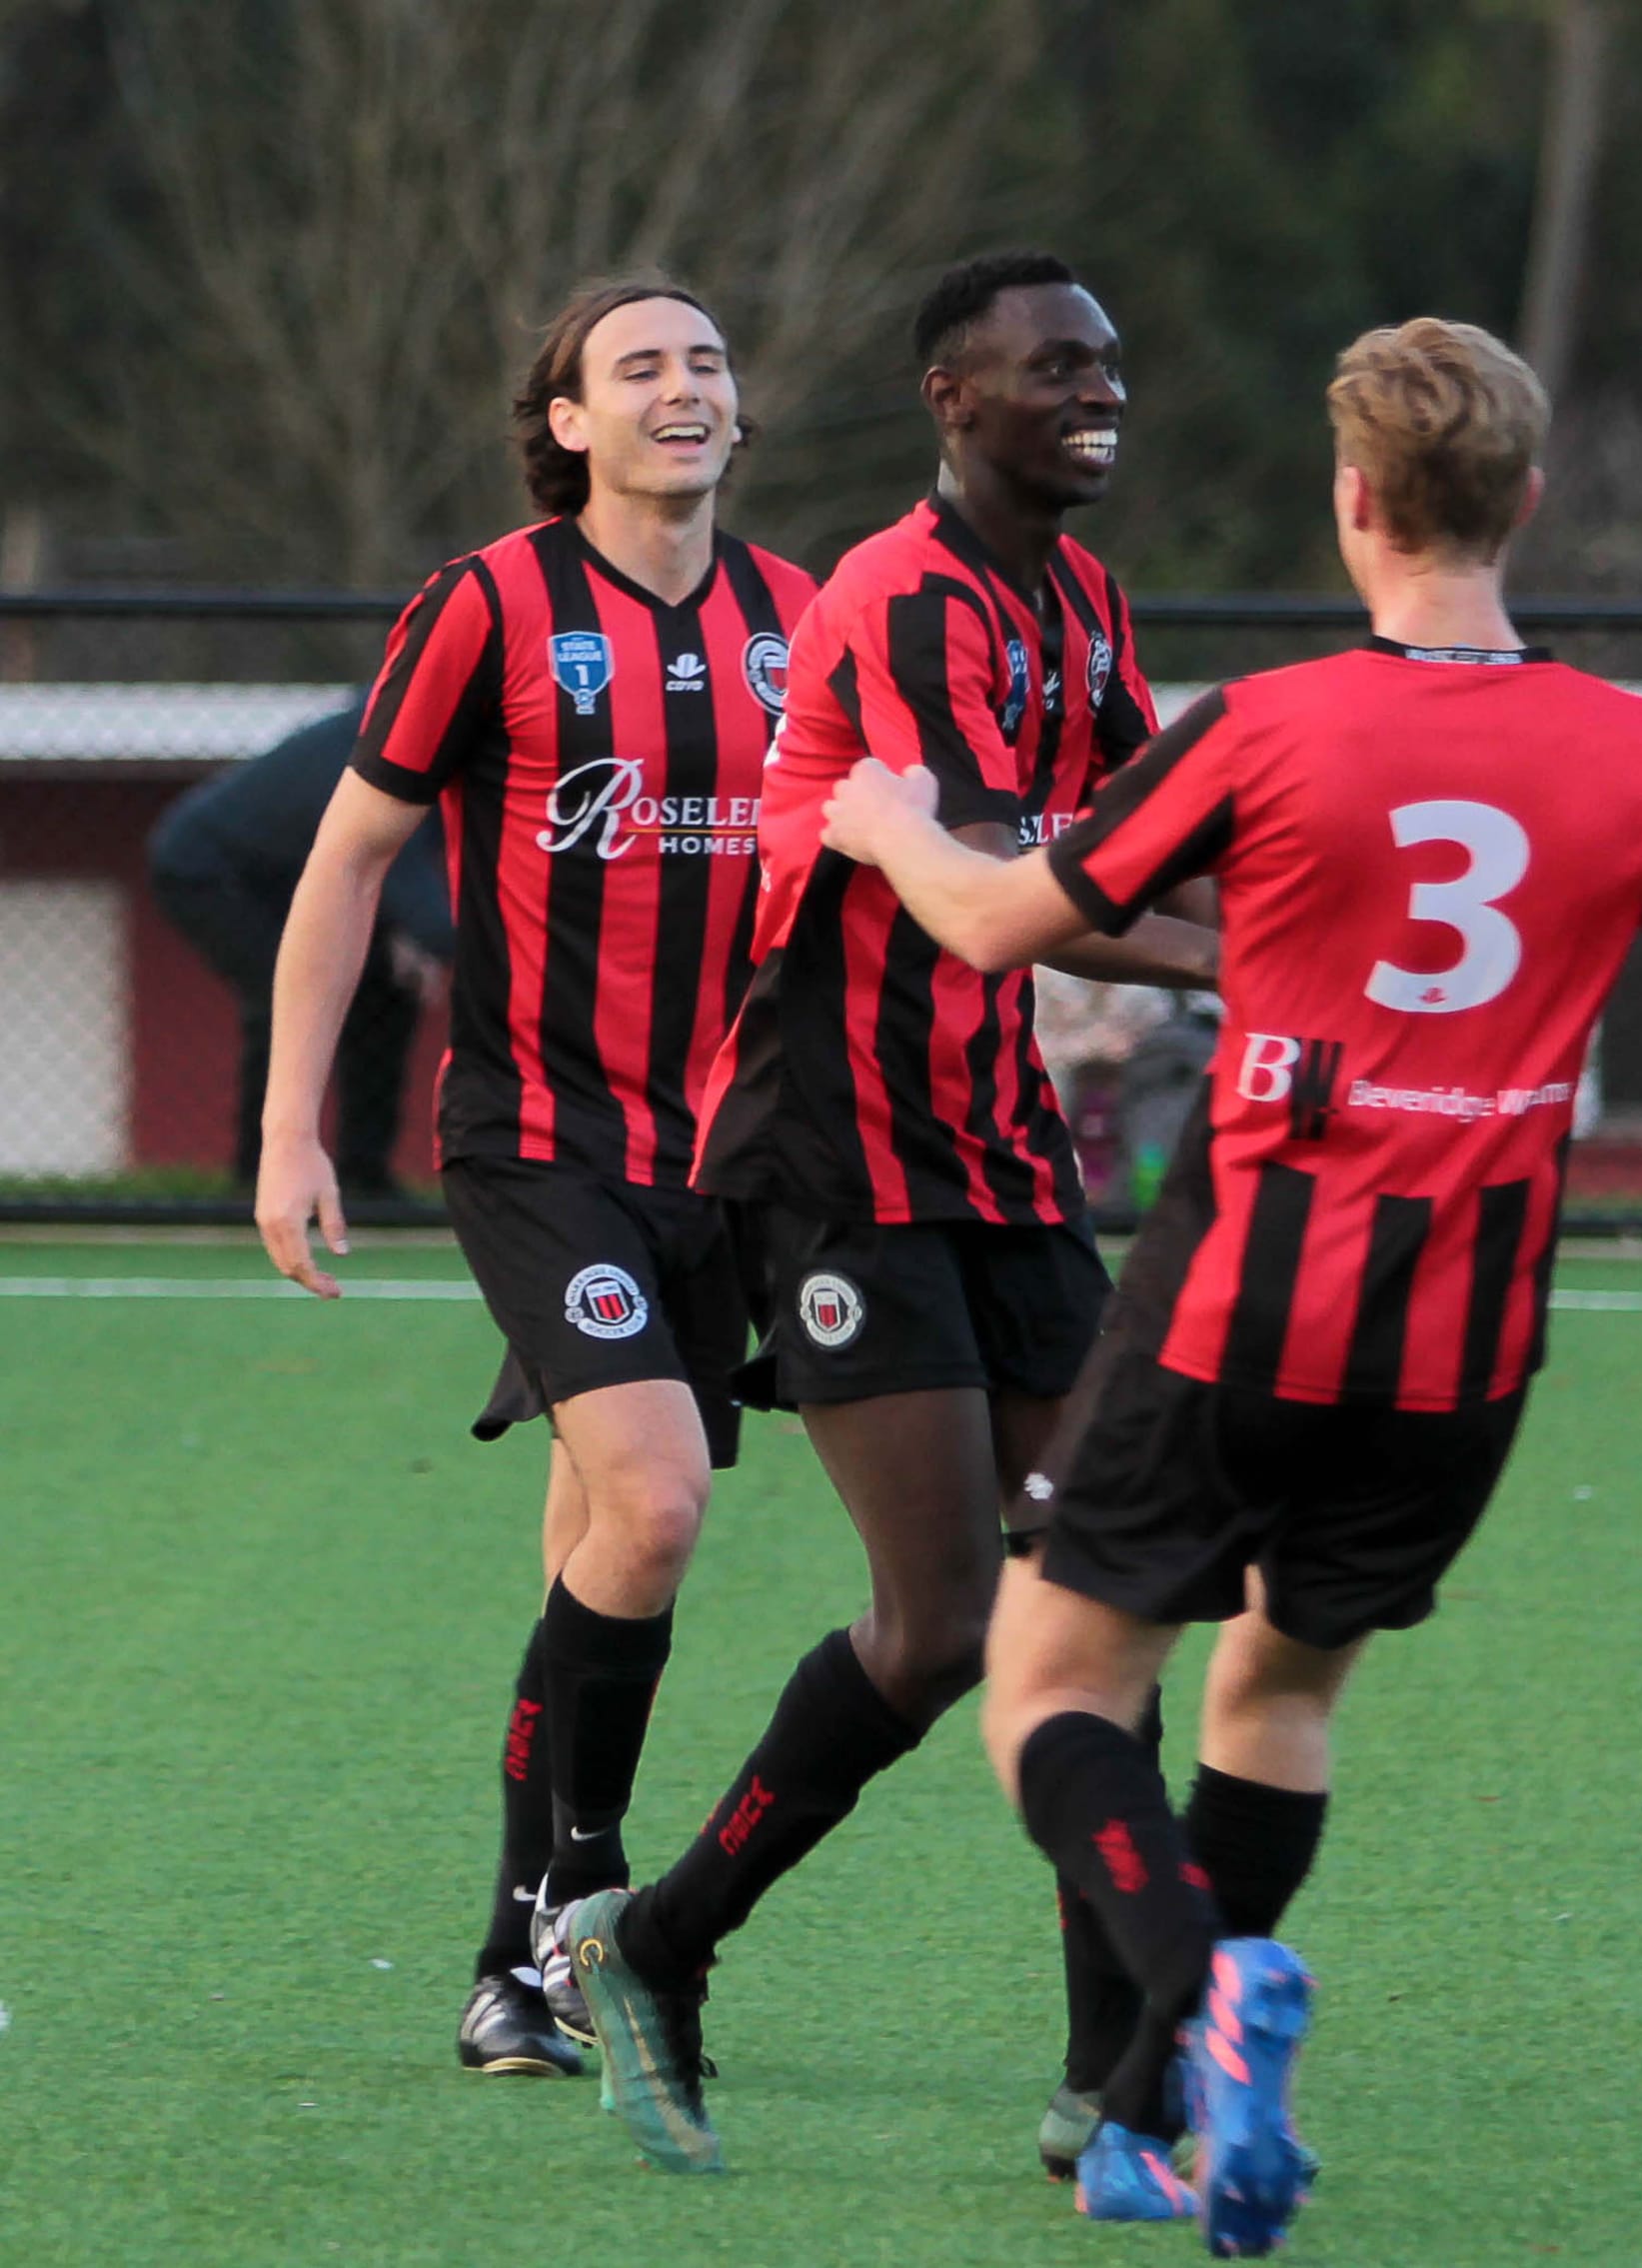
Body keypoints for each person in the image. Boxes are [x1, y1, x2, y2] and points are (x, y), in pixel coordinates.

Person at [817, 316, 1642, 2253]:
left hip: (1239, 1298)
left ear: (1352, 502)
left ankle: (1196, 1998)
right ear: (1525, 503)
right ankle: (1142, 2119)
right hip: (1464, 1341)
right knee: (1277, 1695)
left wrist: (879, 815)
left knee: (1046, 1684)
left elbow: (991, 918)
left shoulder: (1269, 722)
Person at [561, 251, 1219, 2175]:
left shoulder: (1076, 592)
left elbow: (1155, 810)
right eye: (1051, 366)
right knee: (941, 1624)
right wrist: (1259, 961)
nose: (1095, 391)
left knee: (1103, 1592)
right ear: (954, 396)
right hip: (838, 1153)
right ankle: (658, 1944)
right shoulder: (902, 596)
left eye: (1106, 360)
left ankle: (1120, 2076)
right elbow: (1029, 883)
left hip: (1000, 1144)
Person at [255, 275, 817, 2080]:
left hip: (737, 1154)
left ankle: (512, 1960)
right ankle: (590, 1876)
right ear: (565, 420)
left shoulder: (809, 618)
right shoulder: (487, 604)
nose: (683, 387)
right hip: (541, 1141)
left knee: (597, 1538)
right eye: (639, 365)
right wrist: (289, 1122)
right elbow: (346, 866)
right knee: (654, 1505)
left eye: (707, 361)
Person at [149, 700, 450, 1197]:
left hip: (303, 880)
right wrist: (445, 939)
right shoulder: (389, 736)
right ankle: (260, 1180)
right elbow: (405, 877)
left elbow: (392, 870)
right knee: (289, 1002)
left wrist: (414, 934)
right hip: (210, 871)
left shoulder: (445, 739)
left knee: (388, 989)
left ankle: (365, 1179)